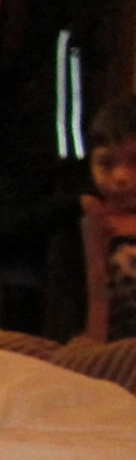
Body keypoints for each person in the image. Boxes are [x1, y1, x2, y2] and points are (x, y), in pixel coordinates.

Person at [81, 97, 136, 342]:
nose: (121, 177)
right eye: (106, 163)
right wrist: (96, 358)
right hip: (122, 348)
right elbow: (98, 297)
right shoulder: (99, 222)